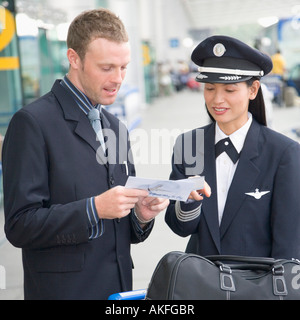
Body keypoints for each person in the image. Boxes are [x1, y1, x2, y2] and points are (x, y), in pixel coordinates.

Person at [2, 9, 169, 300]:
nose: (118, 78)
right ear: (74, 59)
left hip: (118, 293)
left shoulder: (116, 127)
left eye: (124, 67)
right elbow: (19, 226)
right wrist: (93, 209)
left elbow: (123, 230)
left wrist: (141, 217)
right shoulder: (32, 123)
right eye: (107, 68)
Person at [165, 35, 300, 260]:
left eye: (229, 90)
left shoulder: (284, 154)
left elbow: (289, 243)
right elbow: (180, 227)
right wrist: (188, 201)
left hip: (257, 287)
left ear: (253, 90)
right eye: (209, 88)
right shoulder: (189, 145)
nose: (217, 100)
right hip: (202, 285)